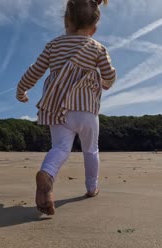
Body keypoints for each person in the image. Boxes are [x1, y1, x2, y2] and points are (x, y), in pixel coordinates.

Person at [16, 0, 116, 216]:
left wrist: (21, 89)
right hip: (87, 110)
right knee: (91, 149)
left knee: (60, 148)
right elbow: (109, 74)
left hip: (58, 108)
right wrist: (105, 83)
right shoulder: (98, 48)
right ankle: (91, 188)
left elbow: (35, 70)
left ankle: (47, 173)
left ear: (66, 21)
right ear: (94, 27)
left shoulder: (53, 45)